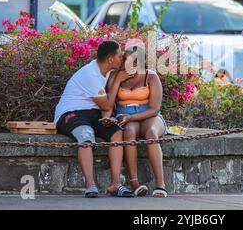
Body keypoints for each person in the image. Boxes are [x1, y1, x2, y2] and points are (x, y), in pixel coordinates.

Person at [54, 40, 135, 198]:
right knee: (86, 135)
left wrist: (106, 119)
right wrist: (118, 80)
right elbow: (106, 104)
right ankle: (90, 186)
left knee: (116, 133)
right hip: (71, 113)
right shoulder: (90, 74)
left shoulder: (108, 71)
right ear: (110, 59)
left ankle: (115, 184)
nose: (122, 59)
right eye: (120, 56)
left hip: (92, 112)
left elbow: (106, 107)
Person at [105, 42, 168, 198]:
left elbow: (154, 109)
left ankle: (161, 184)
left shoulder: (151, 76)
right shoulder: (115, 75)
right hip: (124, 113)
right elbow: (108, 103)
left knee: (151, 133)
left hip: (148, 114)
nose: (130, 64)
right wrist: (119, 79)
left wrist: (132, 116)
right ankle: (135, 183)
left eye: (135, 61)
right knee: (129, 132)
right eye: (126, 60)